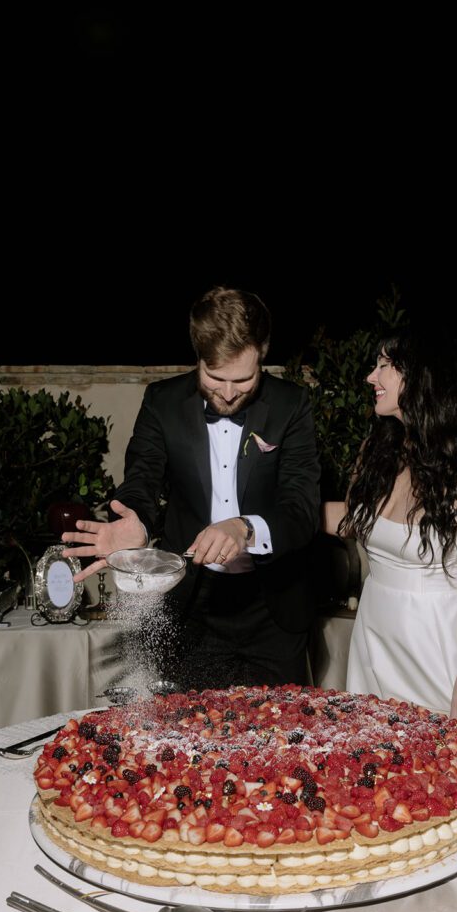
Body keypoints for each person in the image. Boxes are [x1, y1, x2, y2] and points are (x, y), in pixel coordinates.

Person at [63, 285, 321, 688]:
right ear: (198, 355)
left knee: (281, 740)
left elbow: (301, 510)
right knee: (190, 740)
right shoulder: (162, 402)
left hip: (273, 610)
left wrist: (244, 527)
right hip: (194, 605)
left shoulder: (292, 405)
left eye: (245, 379)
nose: (230, 393)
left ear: (264, 353)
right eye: (216, 378)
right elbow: (142, 479)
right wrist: (137, 525)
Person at [323, 327, 457, 732]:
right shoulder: (377, 453)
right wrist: (264, 521)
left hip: (450, 648)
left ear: (420, 378)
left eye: (385, 365)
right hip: (378, 638)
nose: (371, 376)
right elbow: (355, 518)